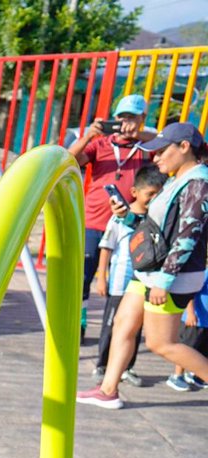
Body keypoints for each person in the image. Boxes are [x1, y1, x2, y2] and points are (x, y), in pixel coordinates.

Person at [78, 123, 208, 409]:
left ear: (184, 147)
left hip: (171, 276)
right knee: (123, 323)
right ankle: (108, 390)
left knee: (163, 344)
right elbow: (157, 231)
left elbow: (189, 235)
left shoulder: (199, 182)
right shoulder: (177, 179)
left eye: (162, 151)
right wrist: (126, 217)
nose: (156, 158)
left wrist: (165, 279)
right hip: (151, 271)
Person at [68, 94, 153, 342]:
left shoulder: (146, 146)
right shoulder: (101, 144)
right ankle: (79, 324)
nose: (125, 123)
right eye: (121, 118)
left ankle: (120, 330)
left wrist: (139, 135)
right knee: (83, 275)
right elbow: (70, 159)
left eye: (132, 118)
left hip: (129, 224)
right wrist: (87, 136)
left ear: (142, 119)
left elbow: (161, 142)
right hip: (94, 220)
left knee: (126, 279)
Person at [91, 165, 166, 386]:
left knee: (134, 327)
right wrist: (102, 278)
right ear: (134, 192)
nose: (153, 199)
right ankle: (102, 365)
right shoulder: (119, 217)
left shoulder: (155, 220)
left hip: (142, 283)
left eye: (157, 194)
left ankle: (127, 367)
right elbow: (107, 247)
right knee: (111, 325)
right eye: (149, 194)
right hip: (119, 283)